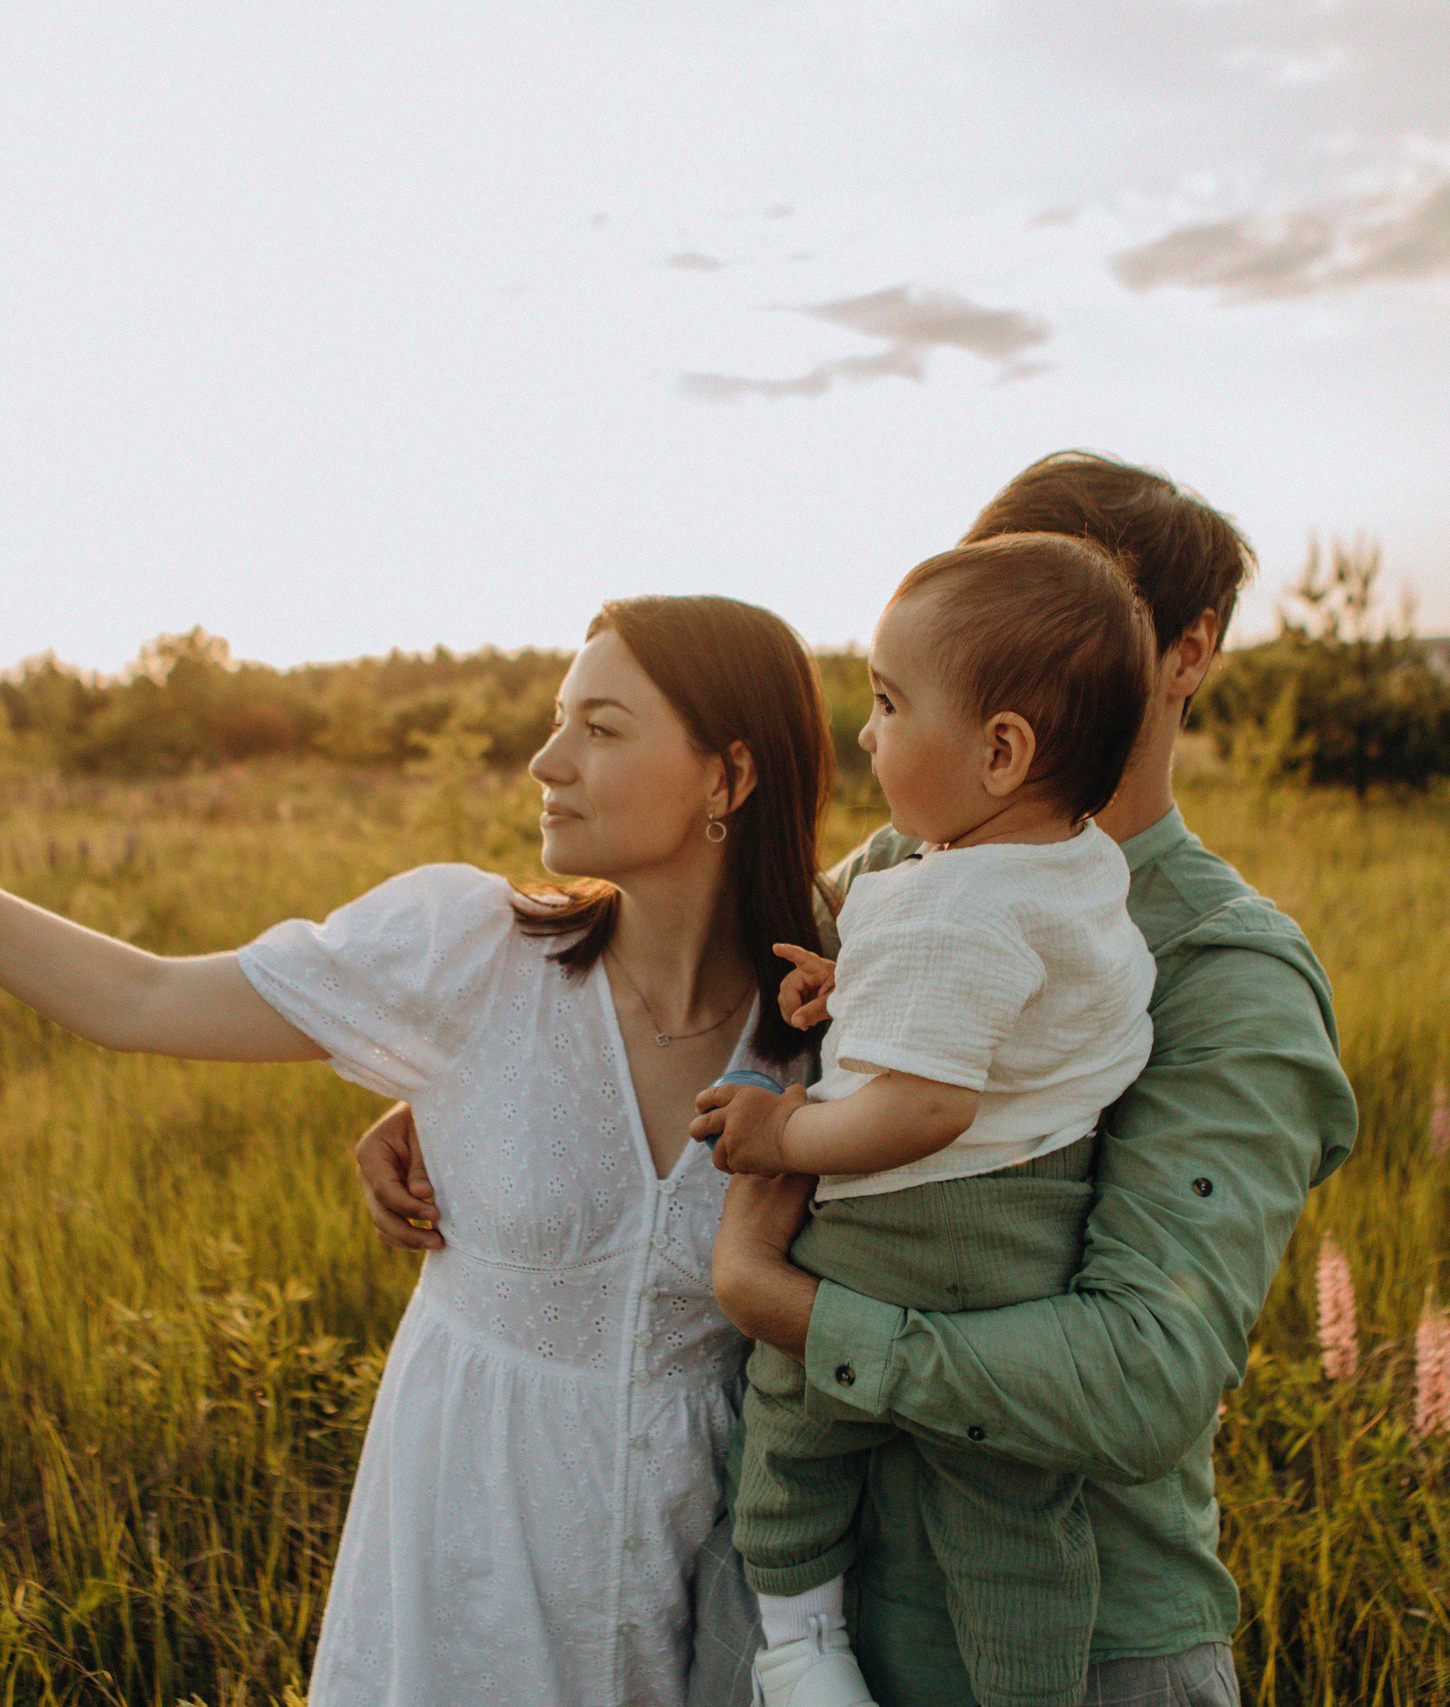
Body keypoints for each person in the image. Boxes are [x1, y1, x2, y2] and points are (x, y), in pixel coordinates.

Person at [0, 594, 838, 1707]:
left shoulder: (836, 1013)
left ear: (728, 778)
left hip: (709, 1582)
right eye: (556, 718)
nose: (546, 760)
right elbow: (136, 999)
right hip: (466, 1564)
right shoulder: (469, 952)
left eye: (599, 729)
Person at [358, 452, 1359, 1707]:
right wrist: (469, 1087)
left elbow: (1145, 1372)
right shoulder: (894, 867)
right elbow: (692, 1002)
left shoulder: (1225, 968)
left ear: (1187, 652)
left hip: (1071, 1643)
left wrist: (786, 1311)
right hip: (790, 1594)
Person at [691, 534, 1158, 1707]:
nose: (866, 733)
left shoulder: (945, 897)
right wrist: (855, 994)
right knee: (1011, 1500)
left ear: (1001, 750)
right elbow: (1010, 1027)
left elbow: (928, 1103)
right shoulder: (1079, 867)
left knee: (793, 1425)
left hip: (902, 1230)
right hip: (1026, 1244)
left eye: (889, 704)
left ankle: (799, 1647)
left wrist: (780, 1133)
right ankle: (1031, 1684)